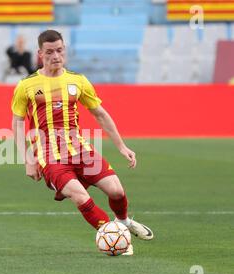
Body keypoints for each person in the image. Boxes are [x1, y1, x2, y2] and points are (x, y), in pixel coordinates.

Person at [11, 30, 153, 255]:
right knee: (80, 196)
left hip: (80, 149)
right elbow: (17, 123)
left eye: (59, 50)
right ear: (40, 54)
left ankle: (123, 222)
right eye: (49, 52)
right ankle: (116, 238)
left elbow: (101, 115)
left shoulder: (78, 81)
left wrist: (122, 146)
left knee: (116, 190)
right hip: (49, 155)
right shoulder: (26, 86)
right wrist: (27, 159)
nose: (55, 56)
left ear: (64, 50)